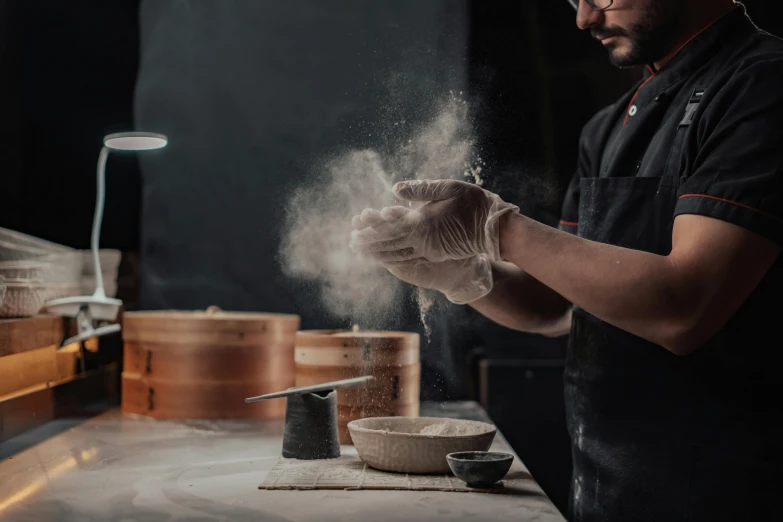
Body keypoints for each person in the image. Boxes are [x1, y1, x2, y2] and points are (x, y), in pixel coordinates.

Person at [349, 1, 783, 520]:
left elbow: (683, 309)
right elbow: (555, 306)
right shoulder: (609, 128)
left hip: (730, 491)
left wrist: (499, 228)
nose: (584, 18)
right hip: (608, 491)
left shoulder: (763, 86)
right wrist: (464, 272)